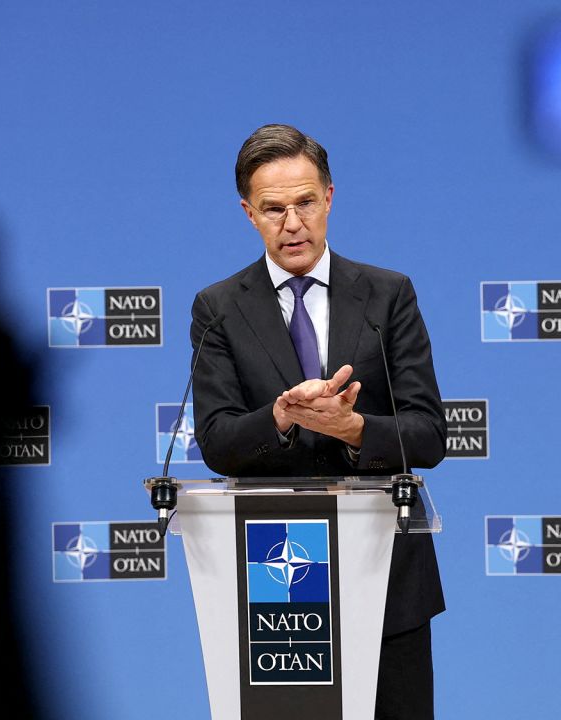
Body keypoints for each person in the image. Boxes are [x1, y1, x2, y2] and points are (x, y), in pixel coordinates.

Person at [190, 124, 446, 718]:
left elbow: (429, 432)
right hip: (275, 579)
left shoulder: (388, 295)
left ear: (329, 196)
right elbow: (218, 442)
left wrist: (353, 430)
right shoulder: (219, 308)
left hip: (385, 577)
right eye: (273, 209)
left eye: (305, 202)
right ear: (248, 213)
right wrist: (280, 416)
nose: (293, 223)